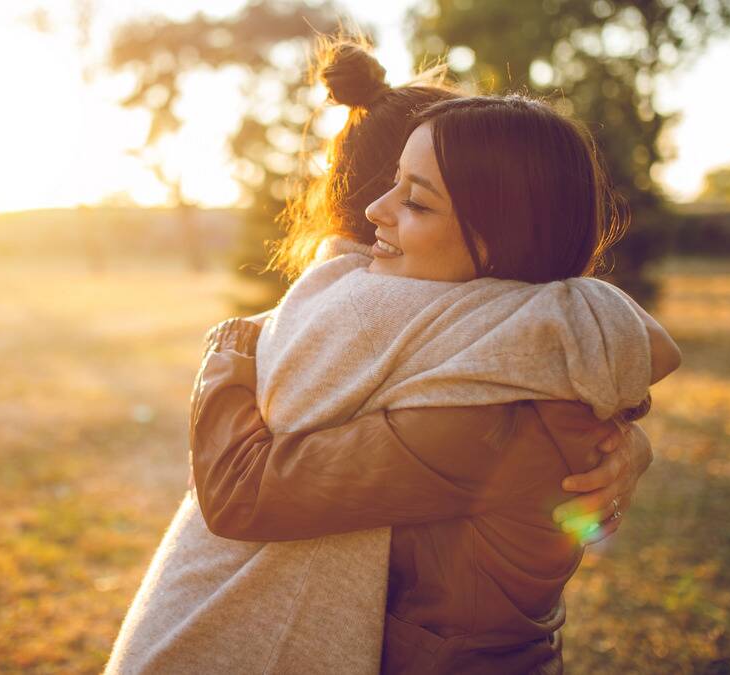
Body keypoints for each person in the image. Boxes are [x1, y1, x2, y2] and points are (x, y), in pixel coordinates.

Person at [107, 40, 671, 675]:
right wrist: (629, 425)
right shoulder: (493, 351)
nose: (378, 214)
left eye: (418, 199)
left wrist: (235, 344)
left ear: (504, 232)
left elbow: (244, 490)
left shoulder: (487, 410)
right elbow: (604, 341)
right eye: (392, 186)